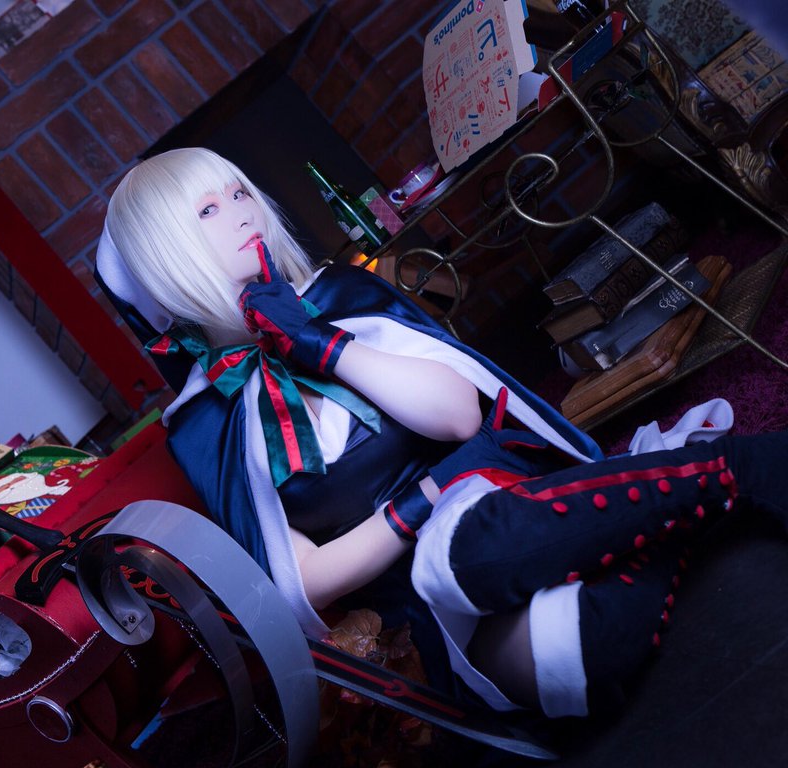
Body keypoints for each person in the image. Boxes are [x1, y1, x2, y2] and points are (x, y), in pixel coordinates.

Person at [97, 147, 787, 718]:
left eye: (239, 191)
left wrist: (320, 345)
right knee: (576, 659)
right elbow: (303, 581)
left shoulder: (338, 298)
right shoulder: (203, 421)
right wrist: (421, 501)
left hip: (505, 508)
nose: (243, 211)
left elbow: (460, 415)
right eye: (209, 211)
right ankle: (680, 494)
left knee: (468, 548)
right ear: (167, 259)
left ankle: (740, 468)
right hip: (422, 604)